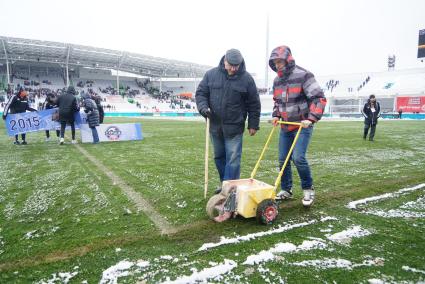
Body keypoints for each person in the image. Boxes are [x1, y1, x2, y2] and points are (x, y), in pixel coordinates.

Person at [196, 48, 261, 193]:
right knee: (219, 157)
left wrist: (253, 124)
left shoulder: (247, 79)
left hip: (234, 127)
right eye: (231, 65)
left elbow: (254, 103)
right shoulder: (211, 75)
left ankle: (230, 189)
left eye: (236, 66)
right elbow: (201, 94)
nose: (233, 68)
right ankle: (225, 184)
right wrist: (203, 108)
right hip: (215, 126)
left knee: (233, 159)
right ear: (224, 61)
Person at [269, 45, 327, 207]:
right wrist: (276, 115)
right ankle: (286, 189)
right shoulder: (277, 80)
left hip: (302, 125)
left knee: (298, 158)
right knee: (283, 159)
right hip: (286, 126)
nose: (278, 65)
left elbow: (319, 98)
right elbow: (277, 102)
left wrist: (312, 118)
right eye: (275, 62)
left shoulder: (304, 75)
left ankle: (308, 189)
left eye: (280, 61)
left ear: (288, 59)